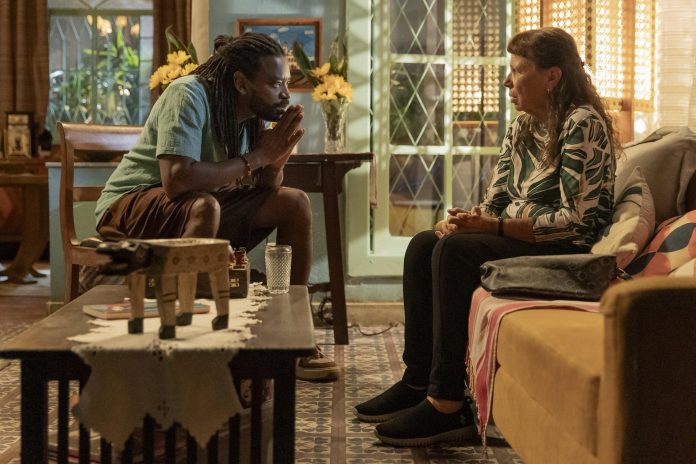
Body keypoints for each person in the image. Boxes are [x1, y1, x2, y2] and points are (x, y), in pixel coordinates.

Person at [354, 27, 619, 446]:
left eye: (518, 70)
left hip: (565, 249)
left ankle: (447, 403)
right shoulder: (522, 126)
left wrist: (492, 227)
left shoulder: (581, 123)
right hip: (521, 236)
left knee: (456, 252)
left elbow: (576, 222)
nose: (507, 81)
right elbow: (496, 200)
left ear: (552, 77)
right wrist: (466, 220)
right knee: (426, 243)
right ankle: (417, 381)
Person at [94, 32, 339, 382]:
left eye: (286, 82)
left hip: (199, 209)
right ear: (241, 83)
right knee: (205, 206)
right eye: (275, 84)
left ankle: (295, 339)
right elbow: (177, 180)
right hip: (130, 207)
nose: (286, 93)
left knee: (294, 202)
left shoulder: (250, 114)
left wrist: (274, 160)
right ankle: (190, 340)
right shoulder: (188, 94)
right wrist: (257, 157)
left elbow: (264, 188)